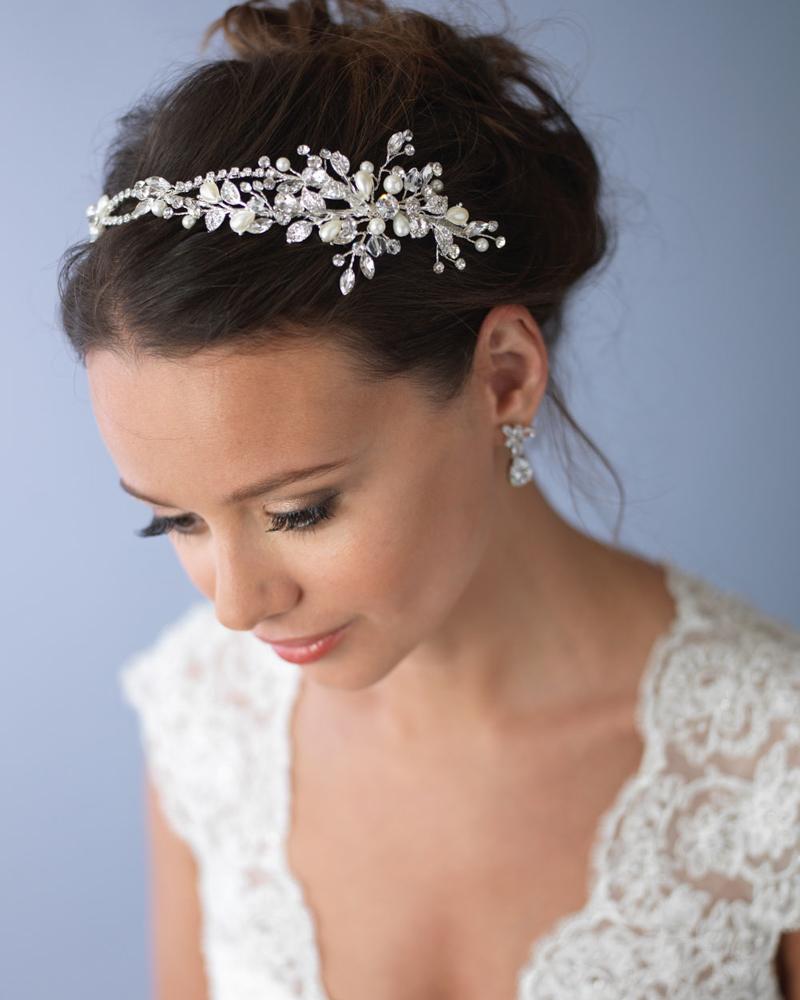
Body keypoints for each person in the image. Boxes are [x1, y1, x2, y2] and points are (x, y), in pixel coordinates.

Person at [58, 1, 800, 997]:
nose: (235, 606)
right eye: (177, 520)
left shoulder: (775, 772)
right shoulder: (205, 719)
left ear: (503, 377)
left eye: (300, 510)